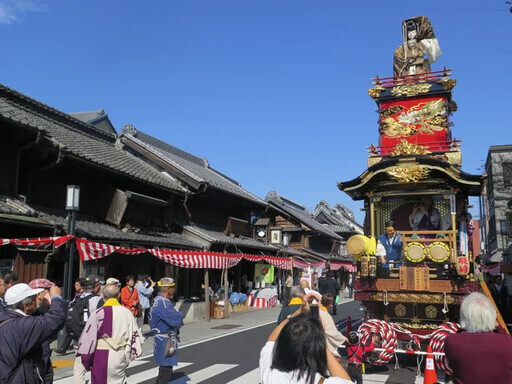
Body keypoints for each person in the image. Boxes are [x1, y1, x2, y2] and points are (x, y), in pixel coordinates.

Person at [260, 292, 352, 384]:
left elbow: (271, 341)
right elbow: (347, 381)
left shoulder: (271, 374)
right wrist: (320, 340)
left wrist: (298, 312)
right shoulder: (317, 381)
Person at [76, 282, 142, 384]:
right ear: (119, 295)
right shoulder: (127, 313)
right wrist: (129, 356)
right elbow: (135, 337)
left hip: (100, 356)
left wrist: (86, 361)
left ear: (103, 295)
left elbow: (88, 340)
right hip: (119, 354)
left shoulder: (97, 313)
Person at [0, 283, 66, 383]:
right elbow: (55, 319)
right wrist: (56, 297)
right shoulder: (21, 326)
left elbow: (31, 321)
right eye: (34, 299)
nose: (37, 301)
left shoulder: (7, 320)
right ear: (26, 305)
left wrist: (41, 309)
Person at [444, 292, 512, 384]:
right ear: (492, 315)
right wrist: (498, 327)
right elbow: (505, 337)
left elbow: (452, 365)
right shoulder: (507, 342)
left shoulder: (452, 342)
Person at [150, 277, 184, 384]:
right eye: (172, 288)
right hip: (165, 339)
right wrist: (180, 318)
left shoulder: (159, 300)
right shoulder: (162, 303)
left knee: (164, 368)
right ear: (168, 289)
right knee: (166, 369)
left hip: (162, 338)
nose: (173, 291)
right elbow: (177, 317)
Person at [73, 275, 104, 384]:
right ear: (96, 286)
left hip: (78, 338)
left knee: (79, 367)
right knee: (95, 365)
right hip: (93, 339)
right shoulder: (99, 301)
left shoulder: (77, 299)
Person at [55, 277, 86, 355]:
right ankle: (64, 348)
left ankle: (63, 348)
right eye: (75, 284)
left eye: (77, 285)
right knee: (71, 331)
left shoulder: (83, 295)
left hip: (78, 317)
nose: (75, 286)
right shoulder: (77, 294)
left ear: (82, 286)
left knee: (72, 331)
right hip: (73, 315)